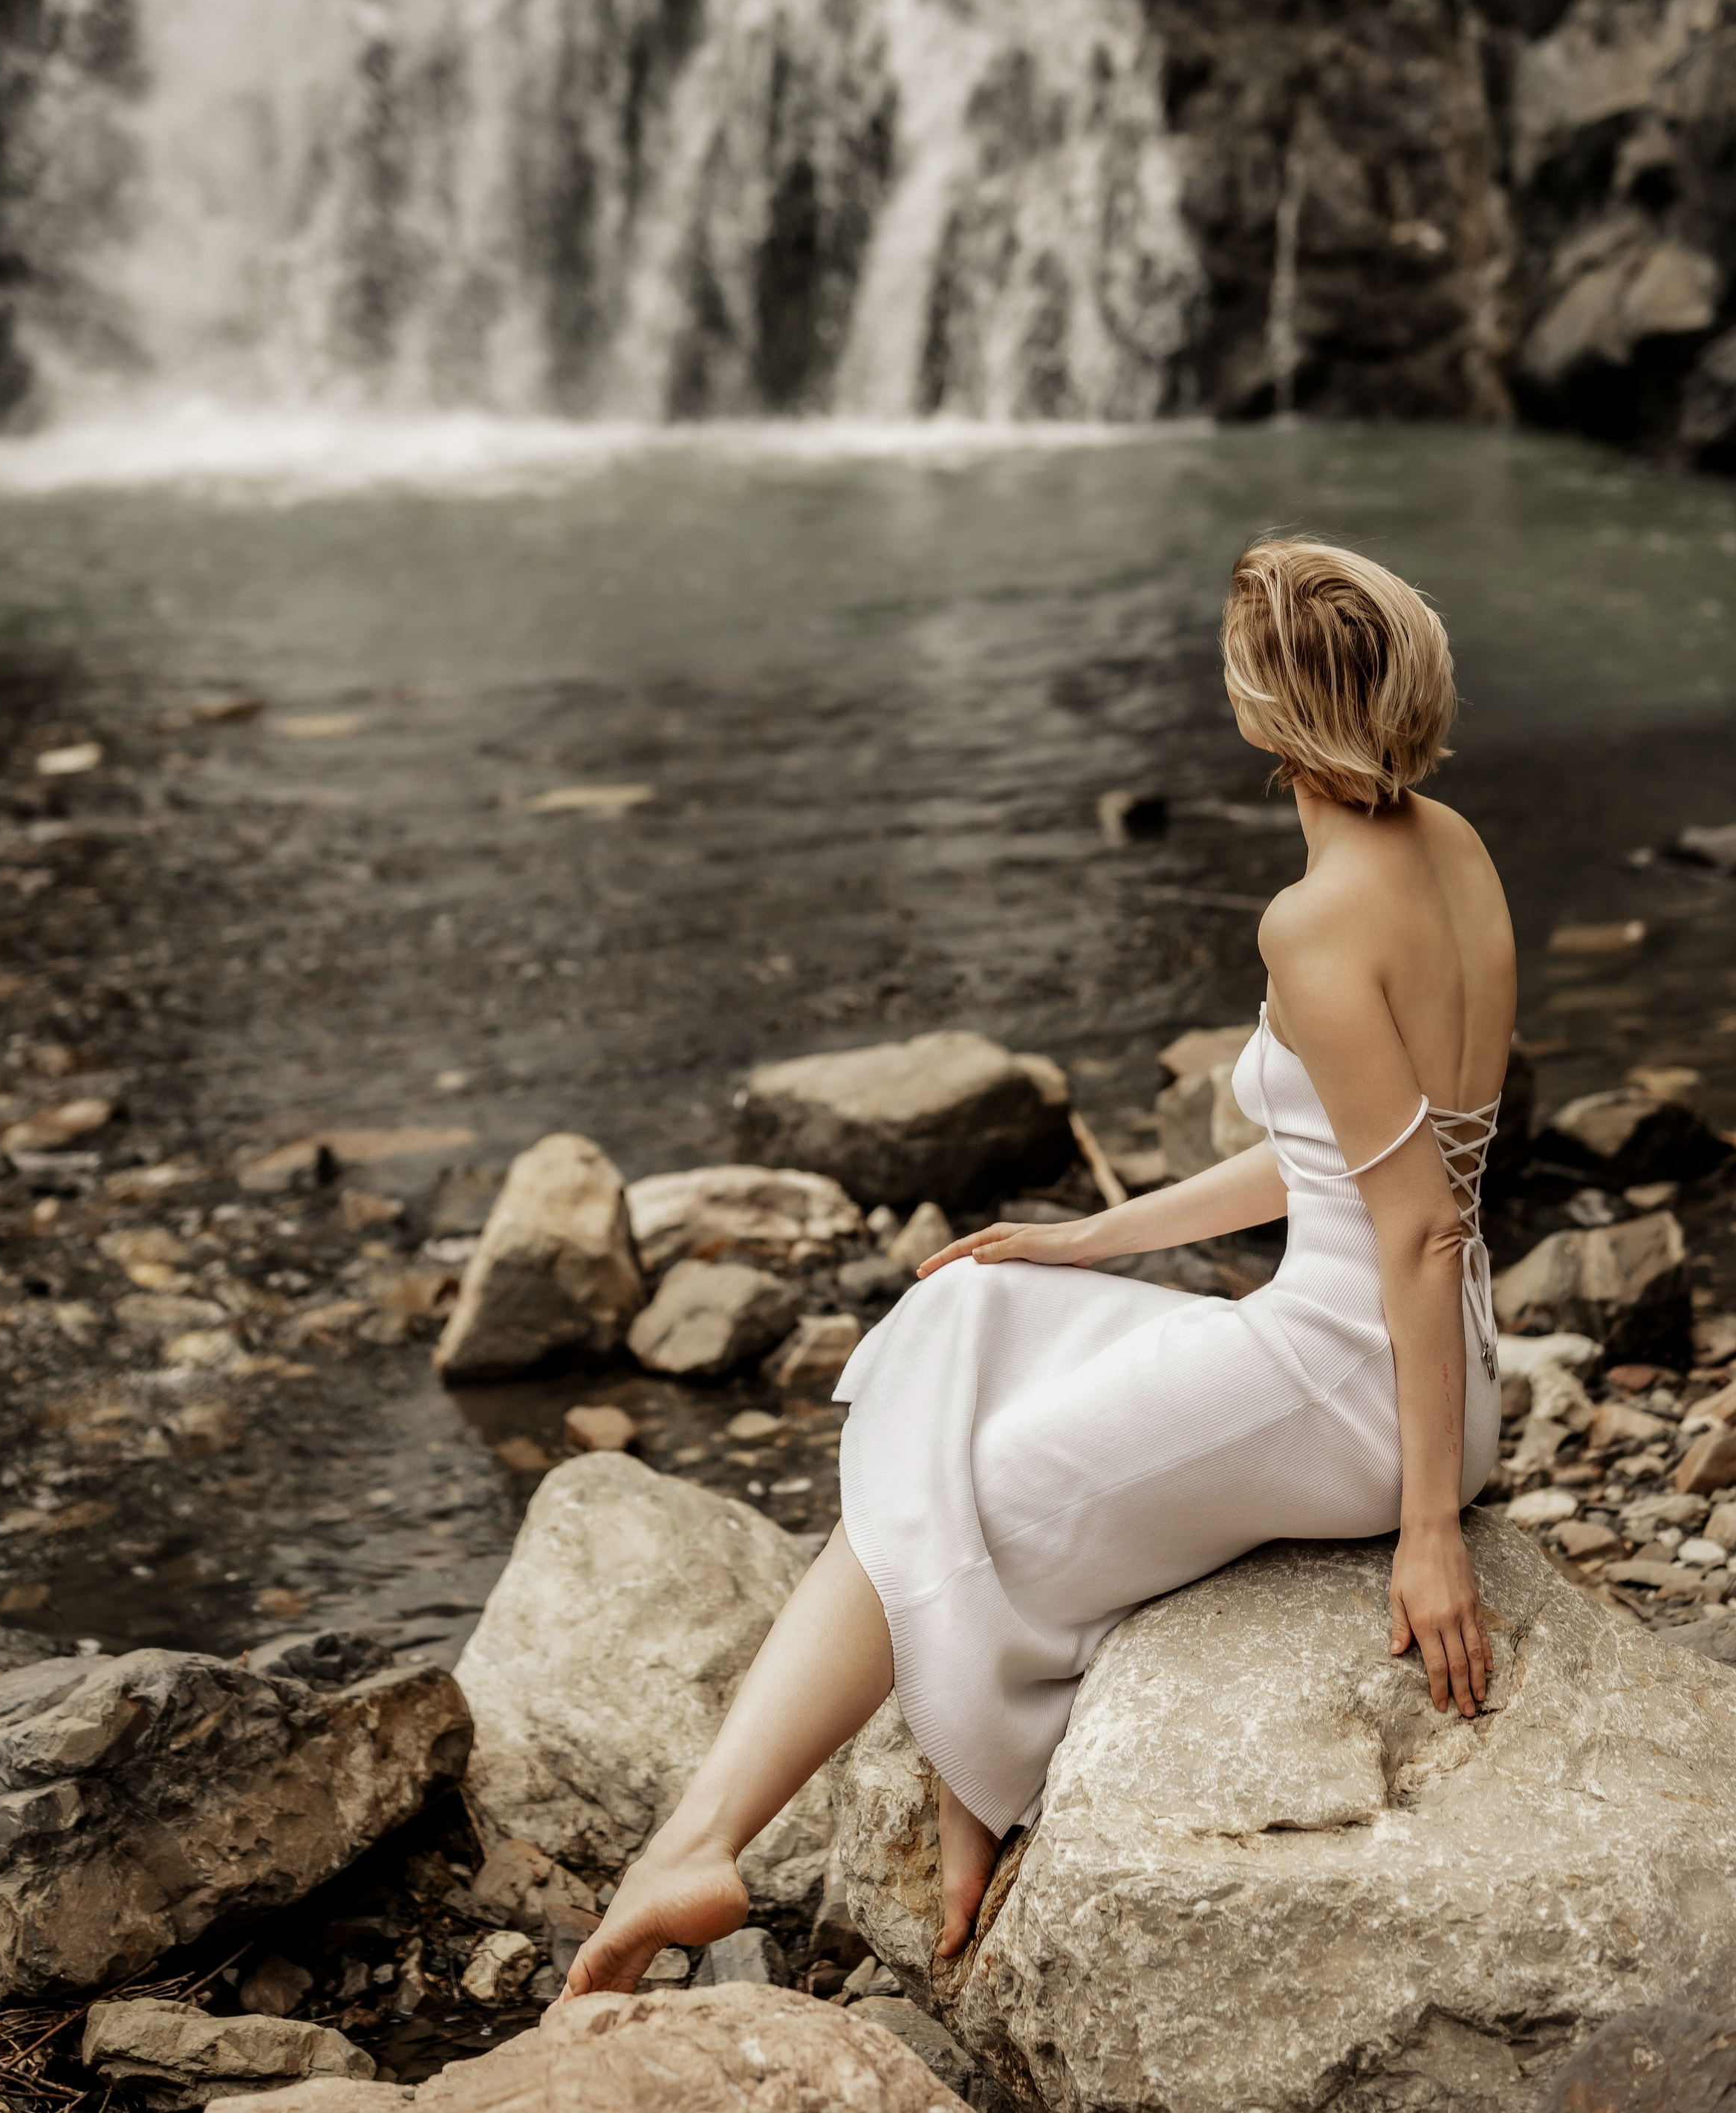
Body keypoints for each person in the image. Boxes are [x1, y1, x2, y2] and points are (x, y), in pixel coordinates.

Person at [563, 534, 1513, 1999]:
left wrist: (1430, 1529)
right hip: (1402, 1344)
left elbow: (1419, 1226)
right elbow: (1347, 1162)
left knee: (979, 1484)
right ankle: (875, 1794)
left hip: (1364, 1385)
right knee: (972, 1309)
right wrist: (1076, 1239)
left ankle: (762, 1827)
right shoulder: (1450, 845)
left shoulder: (1315, 920)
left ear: (1260, 710)